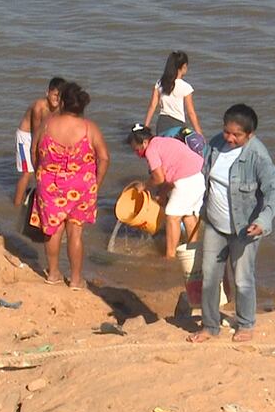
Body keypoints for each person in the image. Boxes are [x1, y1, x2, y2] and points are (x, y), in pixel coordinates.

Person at [188, 104, 275, 343]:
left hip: (245, 229)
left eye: (236, 135)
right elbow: (205, 175)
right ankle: (210, 326)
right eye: (227, 131)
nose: (229, 138)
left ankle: (246, 323)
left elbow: (274, 190)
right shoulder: (217, 144)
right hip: (215, 225)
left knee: (242, 279)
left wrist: (263, 220)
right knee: (210, 277)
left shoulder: (257, 155)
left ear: (250, 134)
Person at [31, 83, 109, 289]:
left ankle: (54, 274)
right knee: (75, 233)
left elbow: (33, 150)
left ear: (63, 102)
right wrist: (96, 184)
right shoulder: (89, 128)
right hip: (82, 186)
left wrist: (40, 174)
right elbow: (104, 158)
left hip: (50, 184)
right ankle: (75, 280)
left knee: (53, 230)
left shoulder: (47, 125)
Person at [127, 124, 205, 258]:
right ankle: (192, 252)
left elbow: (158, 177)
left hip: (186, 181)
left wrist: (144, 185)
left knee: (172, 216)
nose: (137, 153)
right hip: (198, 177)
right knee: (188, 215)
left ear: (145, 142)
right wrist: (162, 194)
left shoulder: (151, 150)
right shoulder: (162, 141)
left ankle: (170, 256)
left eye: (137, 149)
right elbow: (170, 175)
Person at [13, 77, 66, 207]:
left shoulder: (60, 107)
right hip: (25, 137)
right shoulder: (39, 106)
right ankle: (16, 204)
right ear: (47, 93)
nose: (57, 99)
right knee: (27, 173)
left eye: (60, 96)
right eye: (54, 95)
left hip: (41, 135)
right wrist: (36, 150)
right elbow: (36, 130)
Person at [143, 51, 203, 136]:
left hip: (162, 123)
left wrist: (146, 127)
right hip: (177, 124)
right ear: (184, 66)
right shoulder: (186, 87)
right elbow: (191, 113)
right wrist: (199, 133)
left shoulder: (160, 83)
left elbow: (152, 106)